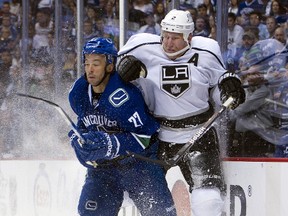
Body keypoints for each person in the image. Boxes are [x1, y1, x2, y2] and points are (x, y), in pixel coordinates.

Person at [117, 9, 245, 216]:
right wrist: (121, 70)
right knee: (144, 196)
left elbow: (217, 85)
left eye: (175, 38)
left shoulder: (207, 50)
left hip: (199, 133)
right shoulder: (141, 46)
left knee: (208, 201)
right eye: (165, 36)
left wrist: (229, 88)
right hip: (156, 134)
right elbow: (108, 73)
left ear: (190, 37)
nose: (168, 43)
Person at [68, 37, 176, 216]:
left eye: (96, 64)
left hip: (139, 166)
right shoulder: (78, 92)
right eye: (87, 64)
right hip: (103, 169)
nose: (90, 70)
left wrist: (111, 144)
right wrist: (77, 141)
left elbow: (144, 137)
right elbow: (81, 124)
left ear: (110, 66)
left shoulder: (125, 96)